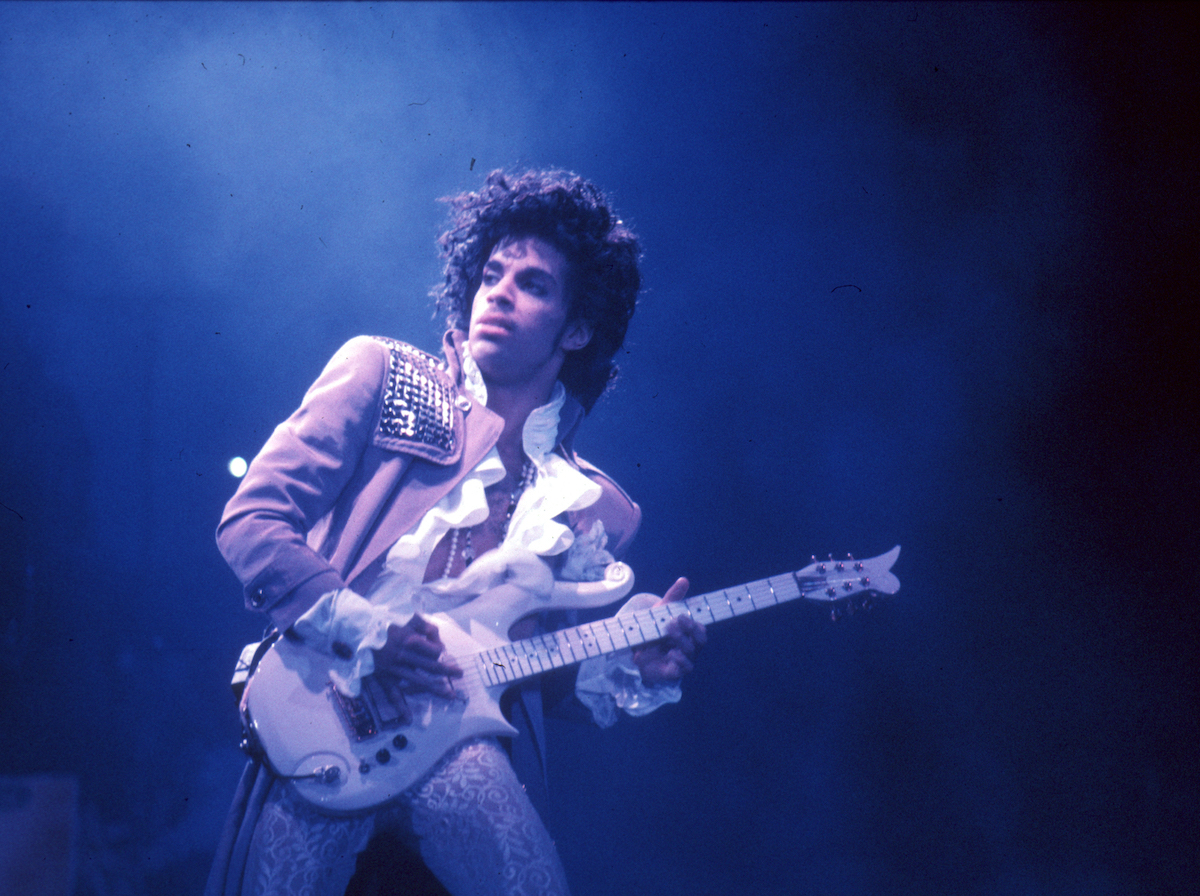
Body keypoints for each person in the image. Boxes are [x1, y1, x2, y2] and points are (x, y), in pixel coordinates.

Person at [204, 169, 706, 896]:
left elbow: (528, 677)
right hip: (327, 717)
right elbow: (253, 520)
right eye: (492, 275)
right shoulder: (384, 374)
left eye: (532, 284)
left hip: (459, 748)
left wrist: (624, 661)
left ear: (577, 328)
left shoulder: (595, 507)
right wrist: (366, 629)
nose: (498, 293)